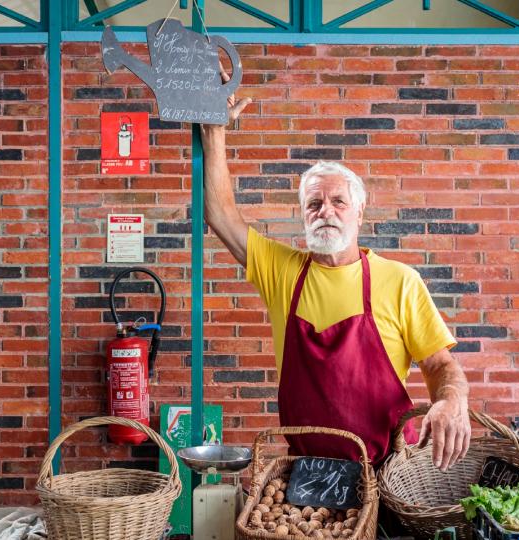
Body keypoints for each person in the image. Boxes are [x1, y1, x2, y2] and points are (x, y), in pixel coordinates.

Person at [200, 76, 470, 472]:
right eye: (314, 203)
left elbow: (441, 367)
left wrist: (452, 401)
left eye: (338, 201)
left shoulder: (399, 281)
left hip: (390, 471)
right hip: (309, 474)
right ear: (303, 215)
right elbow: (220, 215)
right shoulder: (283, 271)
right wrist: (214, 132)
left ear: (359, 212)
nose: (325, 210)